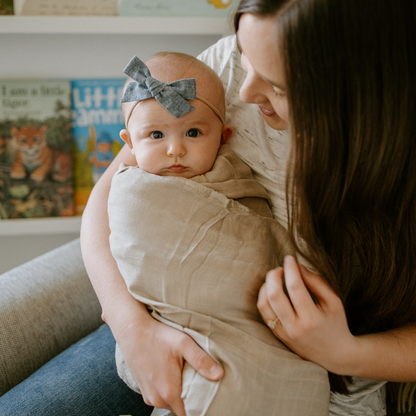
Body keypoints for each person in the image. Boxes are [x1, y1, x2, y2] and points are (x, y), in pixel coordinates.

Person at [1, 0, 415, 415]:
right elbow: (110, 195)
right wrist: (132, 327)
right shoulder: (221, 70)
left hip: (311, 368)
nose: (246, 92)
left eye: (277, 85)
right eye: (246, 57)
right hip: (161, 320)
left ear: (356, 93)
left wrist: (347, 354)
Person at [109, 52, 329, 416]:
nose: (174, 148)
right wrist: (128, 323)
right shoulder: (135, 188)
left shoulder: (236, 176)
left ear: (224, 137)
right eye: (155, 135)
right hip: (150, 326)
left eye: (193, 132)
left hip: (248, 323)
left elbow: (259, 241)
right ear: (129, 145)